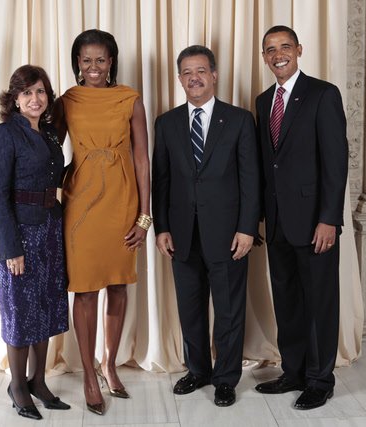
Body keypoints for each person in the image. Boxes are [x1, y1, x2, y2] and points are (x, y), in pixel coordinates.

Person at [152, 45, 260, 407]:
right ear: (179, 78)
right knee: (190, 308)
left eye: (201, 70)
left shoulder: (240, 120)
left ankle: (226, 379)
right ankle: (198, 370)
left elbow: (251, 179)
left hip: (229, 234)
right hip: (181, 234)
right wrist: (161, 227)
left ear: (214, 75)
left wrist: (247, 228)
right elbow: (161, 181)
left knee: (229, 310)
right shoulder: (166, 123)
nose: (194, 77)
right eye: (187, 71)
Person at [53, 29, 150, 416]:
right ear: (78, 62)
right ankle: (90, 376)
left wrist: (145, 216)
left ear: (112, 62)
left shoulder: (130, 99)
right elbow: (50, 154)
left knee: (118, 284)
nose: (94, 67)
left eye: (101, 59)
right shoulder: (67, 100)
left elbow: (143, 159)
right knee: (86, 290)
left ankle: (110, 363)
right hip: (81, 206)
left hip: (123, 202)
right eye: (86, 60)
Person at [254, 25, 348, 410]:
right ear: (264, 57)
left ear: (299, 50)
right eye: (271, 49)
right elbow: (268, 165)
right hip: (277, 223)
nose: (278, 54)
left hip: (314, 223)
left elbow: (336, 162)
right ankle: (292, 371)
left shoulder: (323, 94)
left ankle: (320, 379)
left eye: (285, 47)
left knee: (320, 303)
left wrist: (329, 218)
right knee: (288, 303)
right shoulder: (263, 101)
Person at [0, 65, 70, 420]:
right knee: (21, 312)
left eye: (41, 92)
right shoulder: (3, 134)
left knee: (47, 307)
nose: (35, 99)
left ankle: (39, 380)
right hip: (17, 234)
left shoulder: (50, 135)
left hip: (50, 229)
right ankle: (18, 385)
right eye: (27, 93)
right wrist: (12, 248)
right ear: (15, 99)